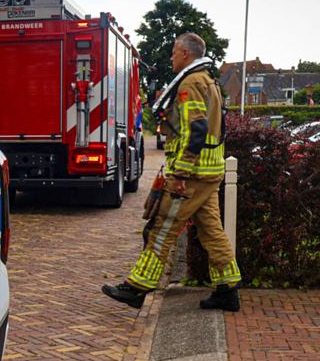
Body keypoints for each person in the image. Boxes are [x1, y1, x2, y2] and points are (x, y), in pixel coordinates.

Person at [102, 33, 241, 312]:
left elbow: (196, 129)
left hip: (191, 175)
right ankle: (227, 291)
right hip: (210, 171)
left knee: (161, 228)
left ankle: (136, 289)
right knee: (212, 231)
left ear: (186, 54)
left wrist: (180, 173)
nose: (171, 57)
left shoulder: (191, 82)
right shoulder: (210, 80)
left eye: (174, 53)